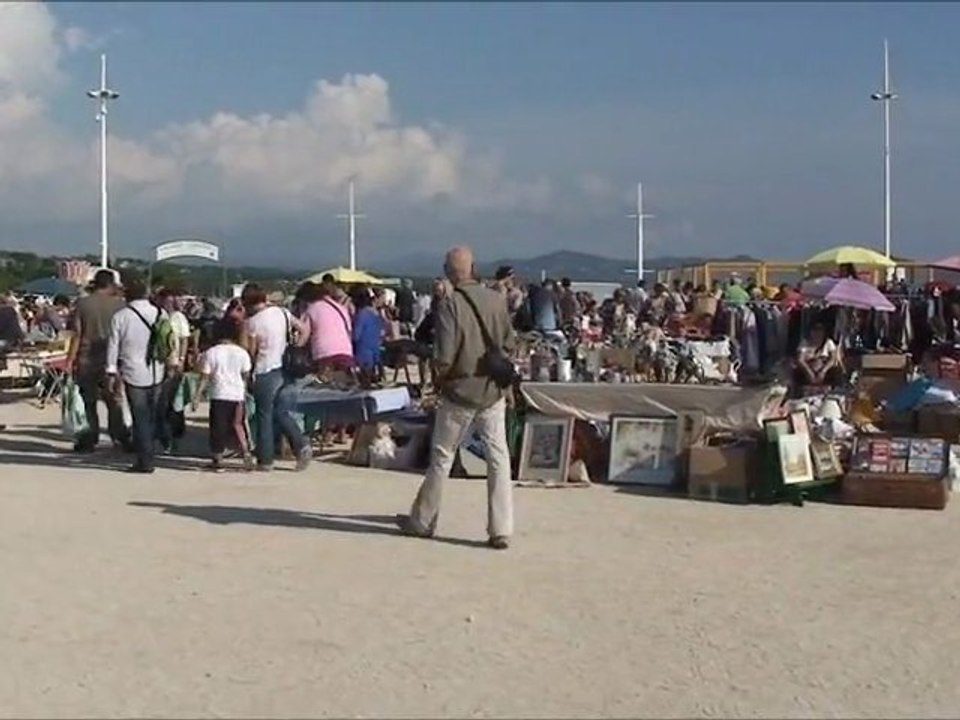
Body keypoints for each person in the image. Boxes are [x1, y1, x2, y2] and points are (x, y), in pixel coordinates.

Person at [396, 246, 516, 551]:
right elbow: (508, 344)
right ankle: (501, 528)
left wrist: (439, 379)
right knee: (498, 458)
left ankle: (423, 521)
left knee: (442, 457)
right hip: (492, 390)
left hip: (460, 392)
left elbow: (444, 357)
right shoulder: (496, 299)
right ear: (474, 267)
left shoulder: (450, 305)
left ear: (448, 273)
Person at [242, 283, 311, 472]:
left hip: (264, 370)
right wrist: (296, 347)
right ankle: (301, 444)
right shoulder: (282, 313)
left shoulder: (252, 322)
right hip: (285, 368)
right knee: (281, 412)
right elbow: (304, 329)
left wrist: (247, 375)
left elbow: (250, 352)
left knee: (264, 415)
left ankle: (265, 459)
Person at [106, 279, 168, 473]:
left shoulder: (121, 316)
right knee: (152, 414)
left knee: (140, 416)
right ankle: (155, 448)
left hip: (132, 370)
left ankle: (145, 459)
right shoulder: (160, 313)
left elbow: (113, 346)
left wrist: (111, 371)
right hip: (157, 369)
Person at [67, 270, 129, 453]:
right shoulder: (120, 305)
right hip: (112, 358)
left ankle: (89, 437)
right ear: (111, 284)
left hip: (87, 357)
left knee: (89, 401)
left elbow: (77, 334)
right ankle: (119, 435)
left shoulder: (83, 304)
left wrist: (70, 359)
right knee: (114, 400)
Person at [194, 318, 253, 472]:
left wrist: (197, 396)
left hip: (219, 394)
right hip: (237, 394)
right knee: (238, 425)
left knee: (218, 427)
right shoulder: (242, 353)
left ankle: (218, 459)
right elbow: (246, 374)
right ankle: (246, 453)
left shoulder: (211, 353)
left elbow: (205, 377)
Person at [301, 281, 354, 374]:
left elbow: (304, 335)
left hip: (324, 353)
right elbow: (349, 331)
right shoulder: (341, 308)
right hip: (345, 351)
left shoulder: (312, 308)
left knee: (325, 380)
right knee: (343, 380)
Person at [352, 286, 385, 386]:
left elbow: (356, 335)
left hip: (365, 351)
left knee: (365, 381)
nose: (383, 301)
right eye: (382, 298)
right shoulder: (377, 315)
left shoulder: (362, 314)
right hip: (374, 352)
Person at [794, 323, 842, 389]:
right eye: (815, 330)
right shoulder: (804, 343)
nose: (817, 333)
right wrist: (809, 373)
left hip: (824, 371)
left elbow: (832, 359)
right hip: (808, 371)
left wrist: (823, 371)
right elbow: (800, 360)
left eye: (820, 330)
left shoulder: (828, 343)